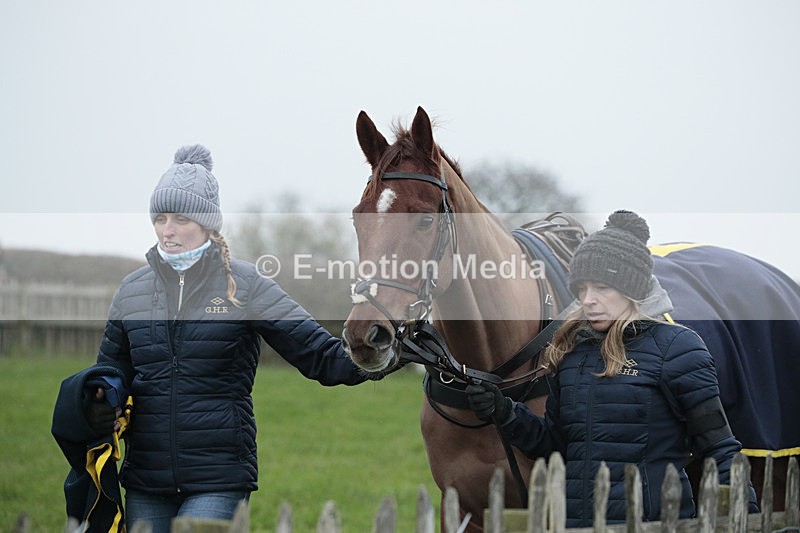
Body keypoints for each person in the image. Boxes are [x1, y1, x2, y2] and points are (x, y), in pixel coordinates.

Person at [81, 144, 377, 532]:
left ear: (207, 224)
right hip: (145, 479)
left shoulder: (246, 286)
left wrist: (387, 350)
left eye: (181, 218)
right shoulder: (131, 292)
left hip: (219, 478)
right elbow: (109, 374)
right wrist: (101, 403)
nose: (167, 230)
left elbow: (321, 356)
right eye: (160, 218)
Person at [466, 210, 756, 527]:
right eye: (582, 289)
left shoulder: (678, 348)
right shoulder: (573, 354)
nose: (588, 300)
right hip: (578, 526)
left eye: (601, 288)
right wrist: (504, 412)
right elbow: (556, 445)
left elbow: (720, 448)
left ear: (631, 288)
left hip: (654, 525)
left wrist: (749, 520)